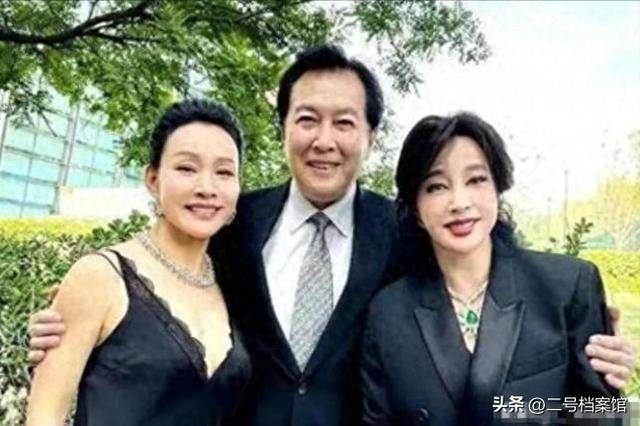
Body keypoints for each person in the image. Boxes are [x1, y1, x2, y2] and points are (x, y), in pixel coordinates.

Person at [28, 47, 635, 426]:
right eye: (307, 119)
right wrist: (73, 332)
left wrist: (582, 340)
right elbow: (162, 290)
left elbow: (495, 303)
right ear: (283, 129)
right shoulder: (231, 224)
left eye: (345, 122)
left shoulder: (407, 235)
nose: (325, 139)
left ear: (369, 136)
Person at [361, 113, 628, 425]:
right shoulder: (389, 312)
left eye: (476, 180)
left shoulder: (567, 286)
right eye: (436, 186)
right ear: (416, 209)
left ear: (497, 189)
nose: (459, 202)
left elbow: (600, 412)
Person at [26, 99, 251, 426]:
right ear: (153, 180)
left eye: (224, 172)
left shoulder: (235, 286)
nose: (207, 188)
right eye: (187, 168)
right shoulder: (101, 277)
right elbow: (43, 418)